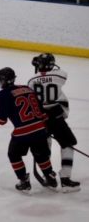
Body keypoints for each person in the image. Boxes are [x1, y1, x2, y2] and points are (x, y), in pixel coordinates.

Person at [0, 67, 57, 193]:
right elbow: (42, 112)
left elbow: (1, 121)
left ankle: (24, 181)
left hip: (23, 132)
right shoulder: (27, 88)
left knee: (13, 154)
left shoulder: (2, 95)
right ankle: (49, 175)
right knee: (41, 154)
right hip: (40, 128)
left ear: (3, 80)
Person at [28, 53, 81, 192]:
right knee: (68, 144)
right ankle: (65, 178)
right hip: (56, 117)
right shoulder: (59, 75)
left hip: (41, 118)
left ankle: (48, 174)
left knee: (45, 146)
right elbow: (59, 73)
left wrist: (39, 69)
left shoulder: (31, 80)